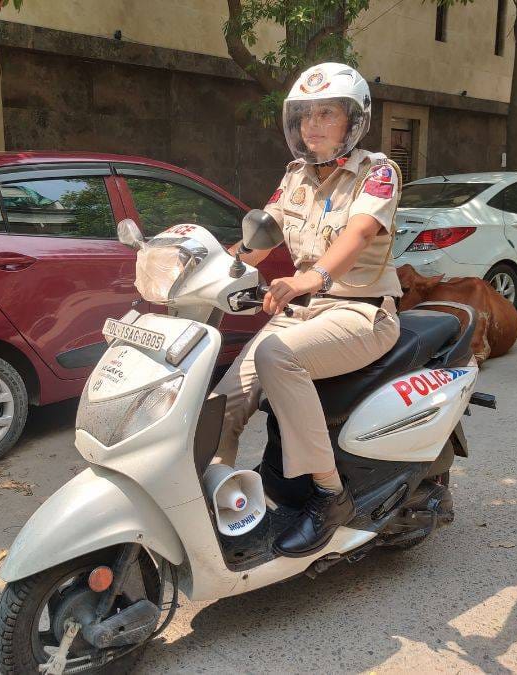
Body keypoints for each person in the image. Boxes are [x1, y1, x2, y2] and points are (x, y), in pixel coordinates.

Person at [211, 63, 403, 557]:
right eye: (305, 115)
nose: (311, 125)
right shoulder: (295, 176)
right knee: (222, 403)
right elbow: (260, 239)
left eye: (326, 114)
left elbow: (359, 233)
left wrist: (310, 278)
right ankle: (214, 496)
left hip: (361, 313)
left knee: (274, 354)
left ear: (352, 121)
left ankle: (330, 494)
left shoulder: (378, 171)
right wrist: (207, 268)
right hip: (302, 313)